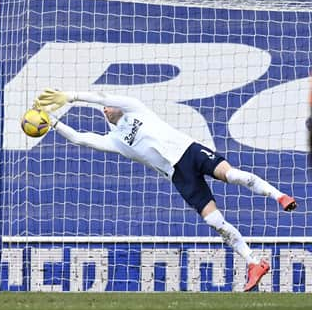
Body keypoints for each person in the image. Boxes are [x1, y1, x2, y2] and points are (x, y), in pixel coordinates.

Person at [35, 88, 297, 292]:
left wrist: (70, 96)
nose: (105, 107)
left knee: (232, 175)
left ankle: (280, 196)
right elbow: (80, 138)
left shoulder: (135, 108)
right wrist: (53, 121)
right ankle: (254, 263)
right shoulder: (113, 140)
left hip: (189, 151)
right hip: (179, 176)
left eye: (107, 105)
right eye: (103, 108)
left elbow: (100, 96)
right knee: (215, 221)